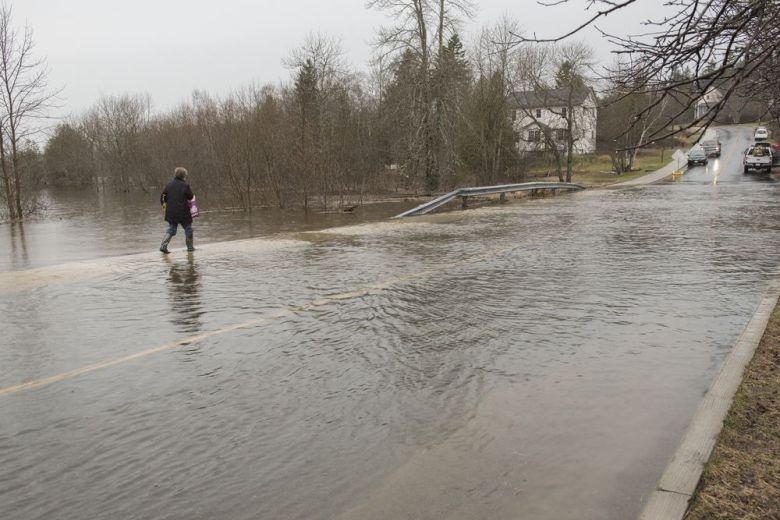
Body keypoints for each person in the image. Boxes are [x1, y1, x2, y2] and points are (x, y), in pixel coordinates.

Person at [159, 167, 195, 253]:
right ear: (184, 176)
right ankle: (190, 248)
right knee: (188, 228)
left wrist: (164, 207)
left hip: (171, 212)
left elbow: (163, 197)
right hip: (183, 212)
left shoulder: (169, 185)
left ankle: (163, 246)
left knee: (172, 229)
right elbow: (191, 197)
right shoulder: (185, 186)